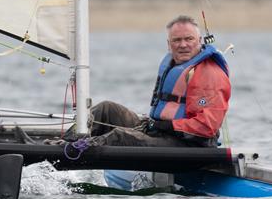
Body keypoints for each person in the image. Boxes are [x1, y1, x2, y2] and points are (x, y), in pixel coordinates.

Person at [85, 15, 231, 148]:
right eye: (177, 40)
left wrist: (170, 126)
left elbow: (207, 127)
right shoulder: (174, 64)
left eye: (189, 39)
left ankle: (77, 150)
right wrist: (159, 126)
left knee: (121, 137)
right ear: (169, 44)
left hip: (189, 144)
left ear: (199, 41)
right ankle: (67, 143)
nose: (183, 45)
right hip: (159, 132)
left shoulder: (208, 73)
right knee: (107, 109)